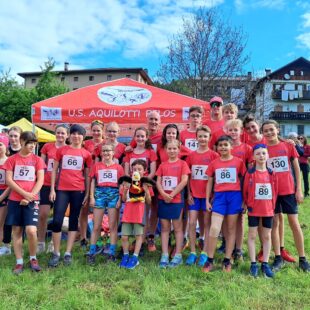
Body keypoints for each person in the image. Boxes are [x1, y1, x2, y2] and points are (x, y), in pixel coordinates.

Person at [262, 120, 310, 272]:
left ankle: (303, 259)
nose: (269, 133)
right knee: (275, 224)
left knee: (294, 223)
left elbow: (297, 169)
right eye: (266, 131)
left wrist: (299, 189)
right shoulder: (263, 149)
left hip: (288, 190)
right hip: (271, 192)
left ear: (277, 129)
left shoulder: (288, 145)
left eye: (271, 129)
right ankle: (278, 257)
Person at [48, 124, 92, 267]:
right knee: (56, 220)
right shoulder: (62, 150)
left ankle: (68, 252)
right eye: (73, 133)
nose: (76, 136)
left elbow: (87, 175)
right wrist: (52, 189)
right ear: (69, 135)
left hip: (78, 190)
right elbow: (54, 170)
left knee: (74, 220)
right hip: (62, 189)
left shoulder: (86, 154)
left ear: (83, 137)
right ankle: (56, 252)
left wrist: (87, 193)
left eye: (79, 134)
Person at [203, 136, 246, 273]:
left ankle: (227, 260)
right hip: (220, 197)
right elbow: (209, 181)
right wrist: (206, 200)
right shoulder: (214, 163)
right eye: (220, 145)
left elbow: (244, 180)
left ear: (231, 146)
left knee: (231, 229)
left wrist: (244, 200)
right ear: (217, 147)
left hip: (235, 197)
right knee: (215, 228)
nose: (223, 147)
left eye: (225, 145)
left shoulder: (239, 162)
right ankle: (209, 260)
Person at [4, 131, 45, 274]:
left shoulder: (38, 160)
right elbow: (9, 180)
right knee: (17, 230)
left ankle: (33, 258)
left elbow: (40, 180)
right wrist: (24, 194)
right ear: (22, 142)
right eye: (29, 143)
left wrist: (29, 196)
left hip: (32, 200)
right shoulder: (12, 159)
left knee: (31, 230)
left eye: (34, 144)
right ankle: (19, 262)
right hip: (15, 200)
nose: (32, 146)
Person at [186, 125, 219, 266]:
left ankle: (205, 252)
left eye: (205, 136)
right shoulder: (191, 156)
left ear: (209, 138)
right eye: (200, 136)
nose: (202, 139)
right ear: (196, 138)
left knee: (206, 223)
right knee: (192, 223)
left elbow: (217, 177)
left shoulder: (214, 155)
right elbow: (187, 176)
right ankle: (193, 252)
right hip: (194, 195)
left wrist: (213, 194)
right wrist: (188, 193)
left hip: (207, 197)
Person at [243, 144, 278, 278]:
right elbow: (245, 190)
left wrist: (272, 206)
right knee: (252, 235)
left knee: (267, 236)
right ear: (253, 156)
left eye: (263, 153)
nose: (261, 156)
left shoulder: (271, 173)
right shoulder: (250, 173)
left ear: (267, 155)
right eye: (258, 153)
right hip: (254, 209)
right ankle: (253, 264)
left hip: (268, 209)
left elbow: (275, 191)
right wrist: (247, 204)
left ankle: (265, 263)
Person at [87, 144, 124, 264]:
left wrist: (119, 199)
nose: (106, 153)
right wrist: (91, 197)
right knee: (96, 225)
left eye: (108, 151)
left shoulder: (119, 167)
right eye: (104, 151)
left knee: (113, 226)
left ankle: (111, 253)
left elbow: (121, 185)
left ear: (113, 153)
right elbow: (92, 182)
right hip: (100, 194)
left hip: (113, 194)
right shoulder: (96, 166)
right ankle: (92, 252)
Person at [156, 140, 191, 268]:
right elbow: (158, 182)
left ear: (179, 149)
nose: (172, 151)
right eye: (169, 149)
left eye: (174, 149)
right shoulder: (162, 165)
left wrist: (172, 194)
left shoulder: (183, 164)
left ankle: (178, 255)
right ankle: (164, 254)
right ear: (166, 150)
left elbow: (184, 181)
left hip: (176, 200)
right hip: (163, 199)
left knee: (177, 228)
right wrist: (164, 194)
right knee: (165, 228)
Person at [37, 124, 69, 253]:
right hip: (46, 183)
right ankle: (40, 242)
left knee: (58, 216)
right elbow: (40, 164)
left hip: (62, 186)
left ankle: (52, 243)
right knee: (43, 214)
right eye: (58, 133)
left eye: (63, 133)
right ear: (54, 133)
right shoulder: (47, 146)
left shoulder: (69, 148)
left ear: (67, 135)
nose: (60, 135)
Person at [225, 119, 252, 262]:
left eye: (236, 130)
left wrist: (246, 194)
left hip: (240, 189)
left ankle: (239, 249)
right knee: (225, 218)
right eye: (230, 130)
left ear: (241, 131)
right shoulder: (223, 147)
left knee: (240, 219)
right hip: (224, 189)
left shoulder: (247, 149)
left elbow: (250, 172)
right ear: (226, 131)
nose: (233, 133)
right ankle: (227, 244)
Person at [119, 159, 153, 269]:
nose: (136, 171)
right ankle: (125, 255)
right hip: (128, 212)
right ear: (131, 171)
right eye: (134, 169)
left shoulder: (146, 184)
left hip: (139, 212)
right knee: (124, 236)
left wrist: (146, 191)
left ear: (145, 171)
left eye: (139, 169)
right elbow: (124, 199)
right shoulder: (127, 183)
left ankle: (135, 257)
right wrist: (125, 190)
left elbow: (149, 202)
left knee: (139, 235)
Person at [80, 120, 106, 249]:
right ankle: (83, 237)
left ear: (103, 131)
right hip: (86, 177)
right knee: (84, 209)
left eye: (98, 130)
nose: (96, 133)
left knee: (100, 210)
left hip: (101, 180)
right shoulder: (85, 144)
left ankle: (100, 237)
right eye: (94, 130)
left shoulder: (106, 144)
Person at [0, 126, 23, 257]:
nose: (13, 139)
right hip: (8, 190)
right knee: (8, 220)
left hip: (21, 190)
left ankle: (19, 245)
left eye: (16, 136)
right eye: (11, 136)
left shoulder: (24, 151)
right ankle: (7, 244)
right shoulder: (5, 151)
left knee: (20, 220)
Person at [0, 135, 10, 253]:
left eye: (0, 144)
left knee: (1, 221)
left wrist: (3, 196)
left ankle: (5, 246)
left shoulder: (9, 161)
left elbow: (11, 182)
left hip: (5, 193)